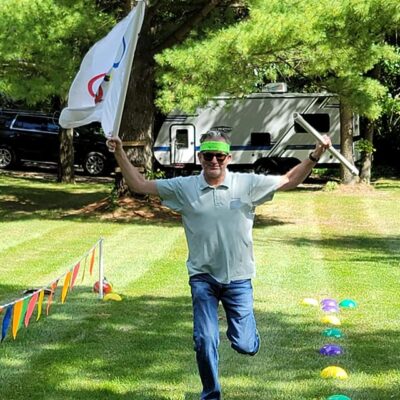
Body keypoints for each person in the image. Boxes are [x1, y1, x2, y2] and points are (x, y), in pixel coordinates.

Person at [106, 130, 331, 400]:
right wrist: (118, 150)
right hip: (203, 278)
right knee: (204, 339)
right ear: (200, 157)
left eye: (220, 156)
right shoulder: (184, 187)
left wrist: (315, 155)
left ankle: (248, 336)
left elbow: (288, 180)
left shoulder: (246, 183)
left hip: (238, 278)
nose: (214, 161)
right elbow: (140, 185)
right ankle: (211, 394)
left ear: (228, 158)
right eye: (208, 155)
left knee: (246, 345)